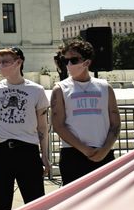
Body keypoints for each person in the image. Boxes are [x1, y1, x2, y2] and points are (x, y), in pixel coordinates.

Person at [0, 47, 50, 210]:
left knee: (35, 205)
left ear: (18, 63)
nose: (0, 66)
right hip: (0, 151)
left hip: (27, 150)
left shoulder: (36, 90)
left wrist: (45, 155)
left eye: (5, 62)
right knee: (0, 207)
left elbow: (42, 127)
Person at [51, 39, 121, 185]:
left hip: (103, 152)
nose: (69, 64)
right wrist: (85, 150)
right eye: (65, 60)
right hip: (73, 153)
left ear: (87, 62)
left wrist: (105, 150)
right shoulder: (60, 89)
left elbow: (115, 124)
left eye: (74, 60)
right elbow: (58, 125)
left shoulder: (105, 87)